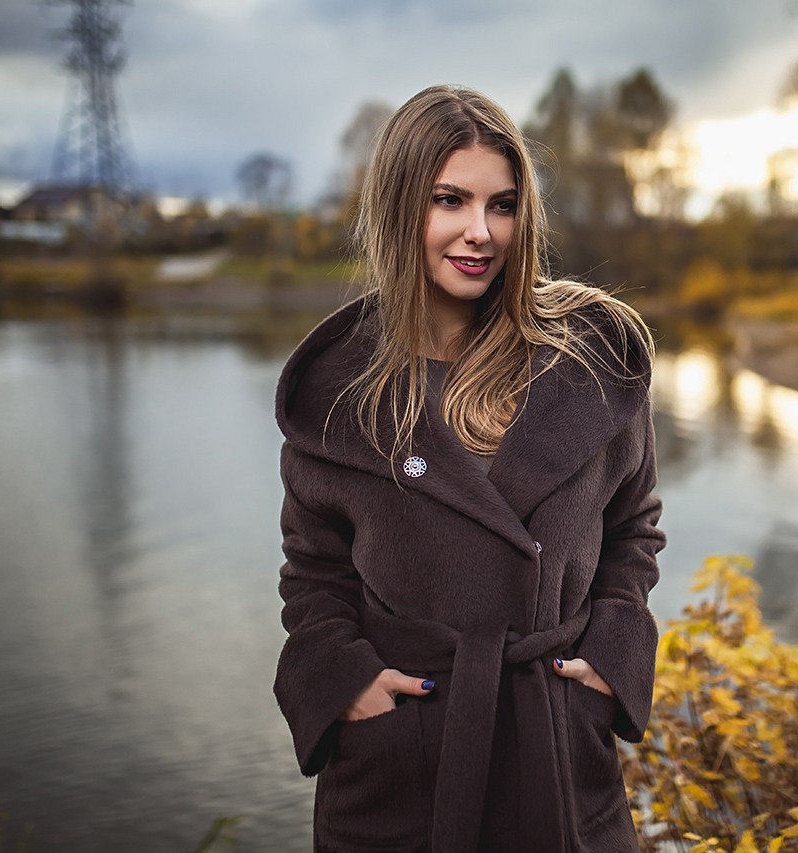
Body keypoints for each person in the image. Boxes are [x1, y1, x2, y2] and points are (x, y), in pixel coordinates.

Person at [273, 84, 665, 852]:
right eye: (449, 200)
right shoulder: (342, 390)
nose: (480, 232)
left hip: (555, 747)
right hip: (403, 767)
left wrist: (613, 656)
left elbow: (634, 528)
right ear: (397, 209)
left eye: (504, 205)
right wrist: (344, 681)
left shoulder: (593, 359)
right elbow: (313, 572)